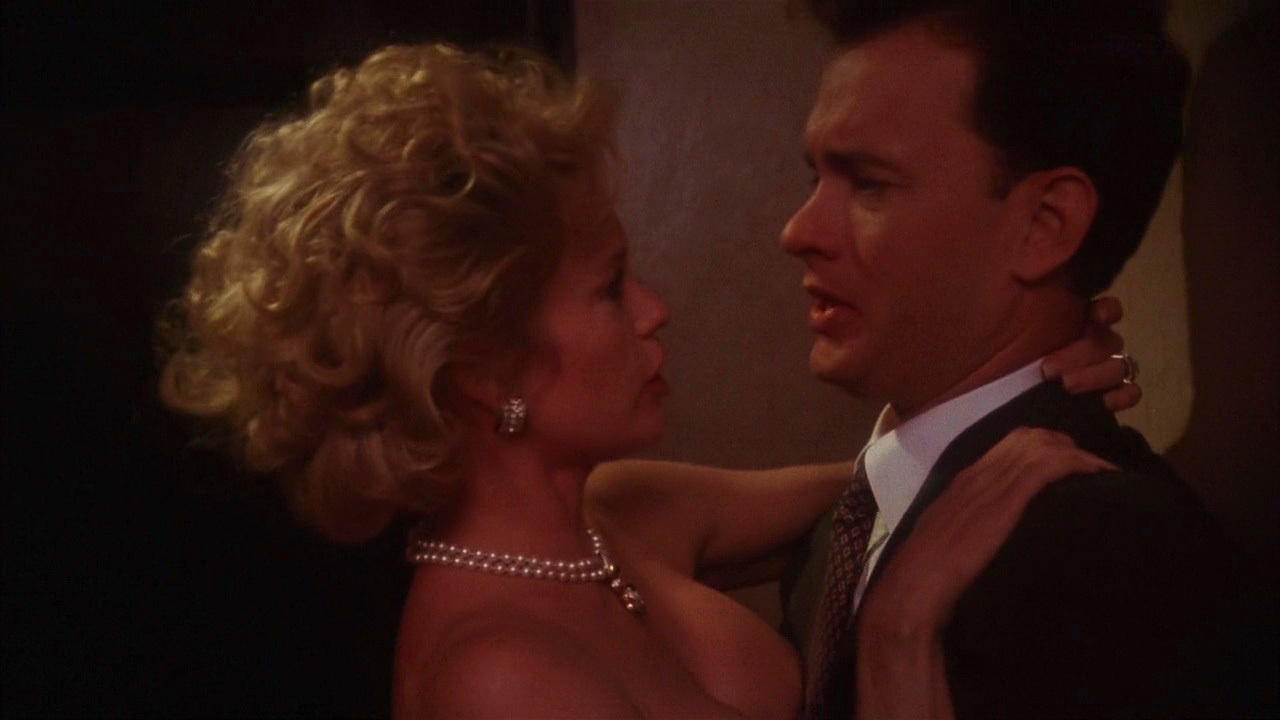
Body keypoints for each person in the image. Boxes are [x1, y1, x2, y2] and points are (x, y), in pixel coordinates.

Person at [160, 44, 1141, 719]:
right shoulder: (499, 679)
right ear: (481, 372)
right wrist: (897, 641)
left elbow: (876, 489)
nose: (653, 310)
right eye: (608, 286)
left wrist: (1026, 371)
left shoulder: (613, 516)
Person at [779, 1, 1277, 717]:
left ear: (1046, 225)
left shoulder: (1115, 562)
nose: (799, 231)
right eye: (815, 179)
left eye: (869, 184)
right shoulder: (851, 522)